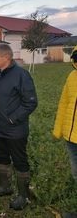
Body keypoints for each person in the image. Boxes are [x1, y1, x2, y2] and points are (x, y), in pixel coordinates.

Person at [0, 43, 37, 210]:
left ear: (6, 57)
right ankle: (4, 187)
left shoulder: (21, 75)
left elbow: (30, 103)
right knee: (1, 157)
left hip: (14, 130)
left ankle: (23, 195)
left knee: (20, 161)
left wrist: (12, 119)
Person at [53, 46, 77, 218]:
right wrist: (59, 128)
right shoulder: (72, 76)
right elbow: (64, 103)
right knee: (76, 173)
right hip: (71, 134)